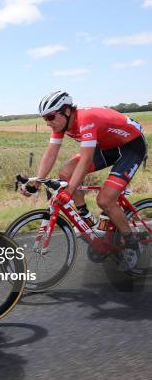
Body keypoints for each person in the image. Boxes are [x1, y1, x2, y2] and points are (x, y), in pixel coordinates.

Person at [23, 91, 147, 270]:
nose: (49, 122)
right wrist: (36, 182)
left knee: (104, 200)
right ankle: (87, 218)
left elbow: (86, 159)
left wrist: (70, 191)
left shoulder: (86, 118)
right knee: (65, 172)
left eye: (51, 117)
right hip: (108, 146)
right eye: (45, 119)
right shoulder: (61, 124)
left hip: (131, 146)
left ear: (66, 111)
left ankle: (132, 244)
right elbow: (51, 153)